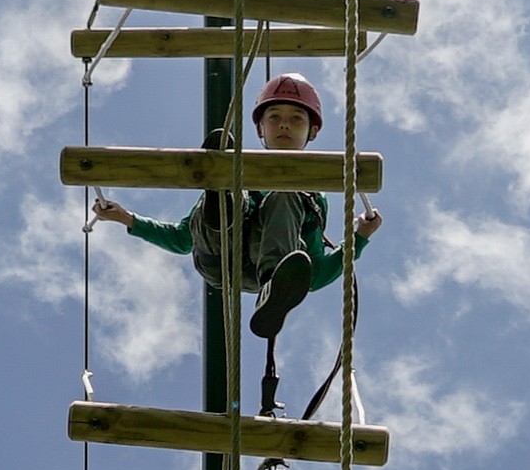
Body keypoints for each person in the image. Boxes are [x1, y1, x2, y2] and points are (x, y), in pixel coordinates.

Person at [92, 73, 383, 341]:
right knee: (232, 186)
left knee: (286, 192)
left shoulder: (310, 196)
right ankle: (221, 207)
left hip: (264, 264)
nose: (284, 124)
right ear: (260, 127)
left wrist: (358, 239)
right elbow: (183, 239)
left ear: (313, 130)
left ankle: (273, 280)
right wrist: (127, 219)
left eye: (296, 118)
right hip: (218, 254)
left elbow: (315, 273)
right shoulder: (239, 173)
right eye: (275, 117)